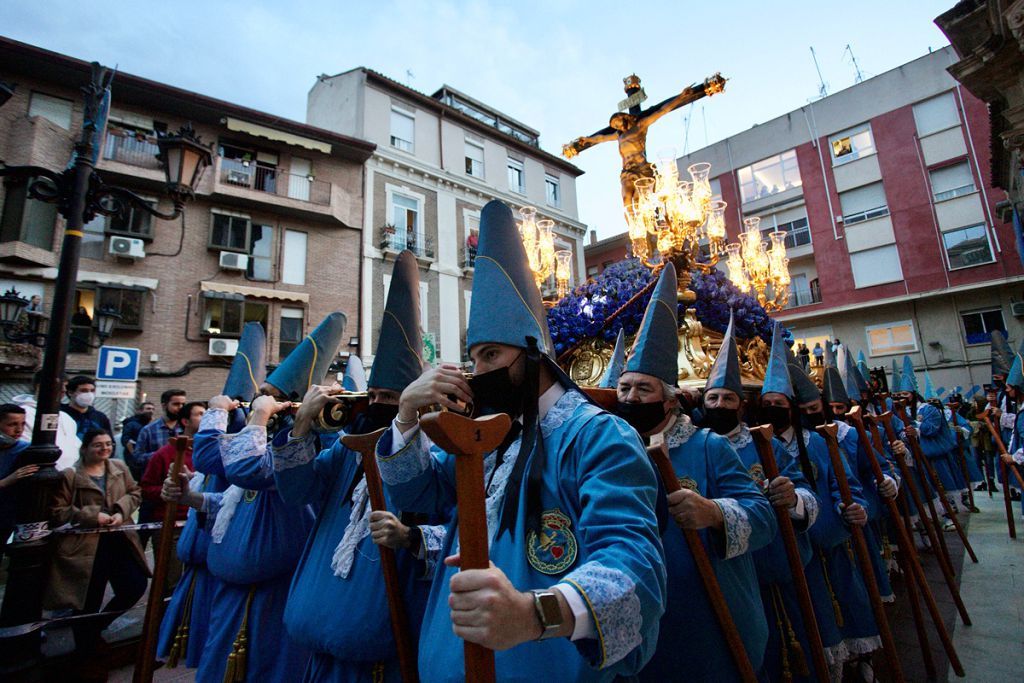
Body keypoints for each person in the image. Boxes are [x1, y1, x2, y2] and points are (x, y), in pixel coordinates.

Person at [376, 201, 666, 680]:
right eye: (474, 359)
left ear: (533, 355)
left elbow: (636, 564)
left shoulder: (598, 436)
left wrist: (535, 613)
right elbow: (415, 494)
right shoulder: (491, 442)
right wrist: (407, 414)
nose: (479, 373)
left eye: (491, 355)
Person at [270, 251, 448, 681]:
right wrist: (301, 427)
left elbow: (463, 535)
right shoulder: (347, 451)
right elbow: (298, 492)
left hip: (384, 654)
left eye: (395, 399)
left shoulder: (440, 452)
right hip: (318, 639)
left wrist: (411, 537)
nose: (381, 406)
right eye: (377, 396)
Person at [607, 266, 774, 681]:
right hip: (641, 615)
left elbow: (763, 516)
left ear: (668, 401)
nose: (630, 397)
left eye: (643, 389)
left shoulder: (708, 446)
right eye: (625, 389)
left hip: (707, 616)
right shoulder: (610, 452)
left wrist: (714, 513)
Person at [193, 313, 345, 683]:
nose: (262, 404)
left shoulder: (309, 444)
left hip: (278, 588)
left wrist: (253, 419)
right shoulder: (261, 436)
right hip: (234, 591)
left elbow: (247, 469)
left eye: (273, 399)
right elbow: (211, 459)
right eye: (263, 397)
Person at [699, 312, 820, 682]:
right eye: (712, 397)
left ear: (741, 404)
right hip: (728, 570)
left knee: (802, 637)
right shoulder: (697, 447)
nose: (719, 404)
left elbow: (804, 491)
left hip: (777, 560)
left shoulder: (764, 446)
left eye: (728, 398)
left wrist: (793, 498)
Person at [157, 321, 266, 671]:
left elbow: (214, 458)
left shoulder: (247, 447)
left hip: (229, 567)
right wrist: (189, 496)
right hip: (205, 562)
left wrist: (220, 413)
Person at [46, 429, 149, 653]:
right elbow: (58, 511)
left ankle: (95, 627)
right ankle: (85, 650)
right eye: (98, 445)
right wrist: (93, 516)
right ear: (85, 448)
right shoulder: (70, 475)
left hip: (119, 539)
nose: (104, 449)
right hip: (86, 546)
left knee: (134, 585)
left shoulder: (119, 468)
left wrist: (121, 512)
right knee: (88, 598)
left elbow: (135, 493)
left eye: (108, 444)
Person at [140, 401, 206, 595]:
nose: (206, 418)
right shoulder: (167, 453)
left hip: (199, 523)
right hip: (173, 525)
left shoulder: (210, 453)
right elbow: (146, 488)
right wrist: (171, 490)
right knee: (170, 583)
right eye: (200, 414)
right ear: (185, 421)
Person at [13, 369, 80, 470]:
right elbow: (23, 449)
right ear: (40, 387)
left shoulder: (66, 418)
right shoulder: (23, 414)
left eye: (65, 386)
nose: (64, 390)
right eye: (59, 385)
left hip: (69, 478)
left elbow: (76, 447)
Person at [0, 404, 33, 563]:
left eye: (22, 424)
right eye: (12, 424)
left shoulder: (26, 449)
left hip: (7, 514)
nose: (19, 430)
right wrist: (7, 481)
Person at [131, 390, 187, 480]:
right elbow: (137, 458)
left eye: (183, 404)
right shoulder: (148, 430)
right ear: (164, 405)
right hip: (157, 482)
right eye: (176, 404)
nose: (180, 408)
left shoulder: (186, 429)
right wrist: (161, 455)